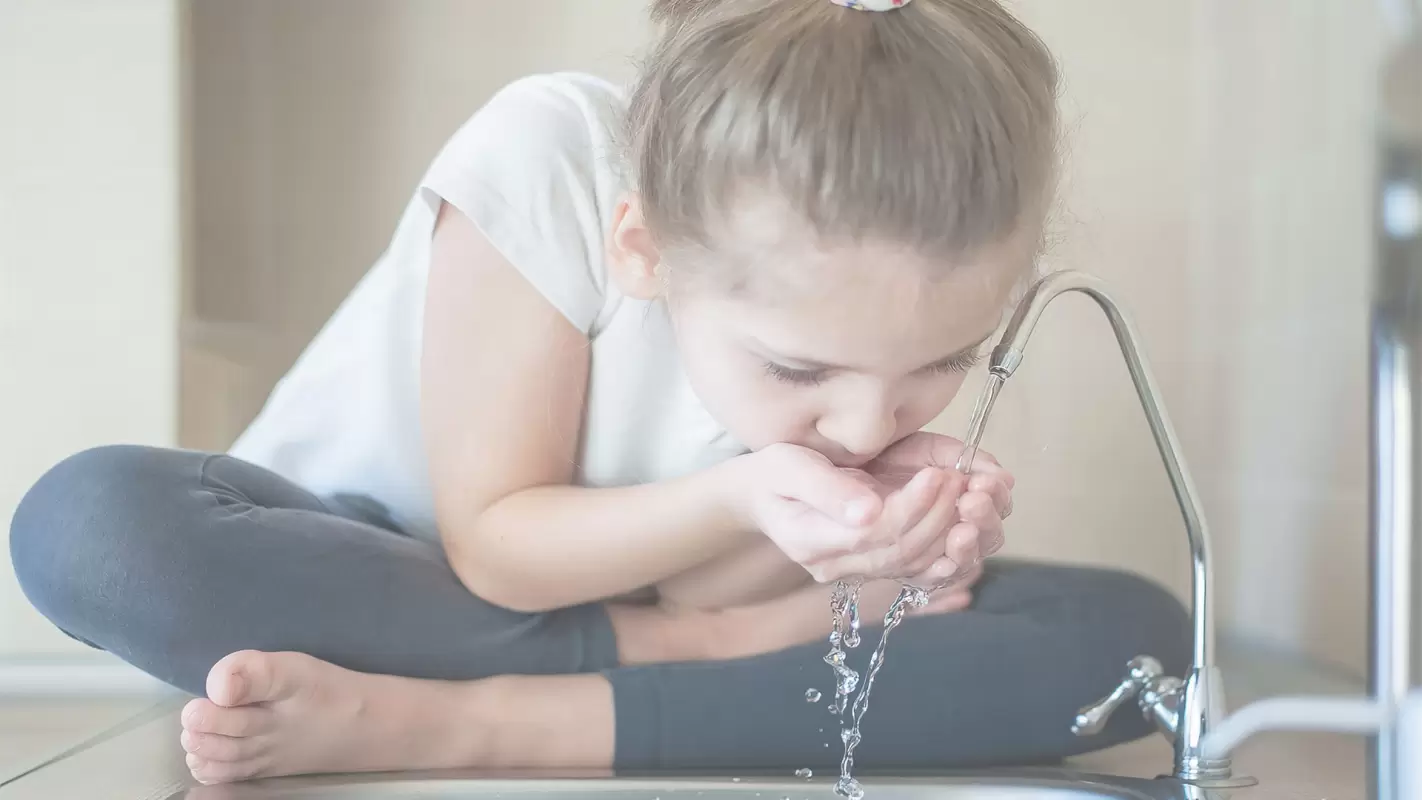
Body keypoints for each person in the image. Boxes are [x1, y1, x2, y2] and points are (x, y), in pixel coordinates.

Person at [10, 0, 1188, 786]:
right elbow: (500, 550)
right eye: (798, 370)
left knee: (1130, 641)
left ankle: (438, 721)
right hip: (367, 562)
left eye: (942, 362)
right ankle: (655, 674)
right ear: (646, 246)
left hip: (584, 609)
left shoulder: (847, 386)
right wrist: (736, 573)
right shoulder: (551, 159)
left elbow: (680, 566)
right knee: (93, 526)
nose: (871, 419)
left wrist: (862, 542)